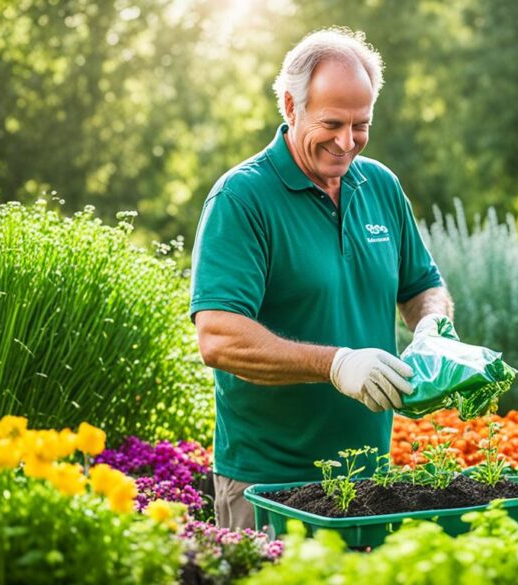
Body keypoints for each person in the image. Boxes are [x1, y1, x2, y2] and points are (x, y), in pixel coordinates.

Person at [190, 27, 454, 529]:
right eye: (332, 122)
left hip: (370, 481)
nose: (346, 141)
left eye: (361, 124)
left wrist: (431, 328)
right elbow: (219, 338)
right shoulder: (242, 199)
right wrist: (335, 364)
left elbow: (423, 285)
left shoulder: (380, 185)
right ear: (291, 106)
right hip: (269, 485)